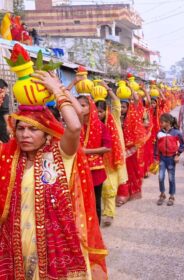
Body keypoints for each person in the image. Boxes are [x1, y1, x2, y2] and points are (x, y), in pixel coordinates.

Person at [0, 70, 108, 279]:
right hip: (17, 241)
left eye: (33, 129)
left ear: (46, 132)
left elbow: (75, 127)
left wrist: (57, 90)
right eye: (21, 128)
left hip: (54, 242)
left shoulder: (59, 155)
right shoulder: (9, 157)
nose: (25, 135)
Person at [95, 82, 128, 227]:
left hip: (113, 158)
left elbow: (116, 103)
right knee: (100, 187)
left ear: (106, 111)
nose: (98, 114)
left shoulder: (113, 117)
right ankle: (104, 210)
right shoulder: (92, 123)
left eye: (100, 111)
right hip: (97, 158)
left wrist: (107, 88)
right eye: (95, 111)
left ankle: (109, 214)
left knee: (110, 186)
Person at [77, 95, 111, 224]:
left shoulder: (100, 126)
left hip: (95, 169)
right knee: (79, 199)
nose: (79, 108)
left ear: (90, 107)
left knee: (95, 200)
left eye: (83, 105)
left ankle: (95, 230)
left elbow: (108, 147)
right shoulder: (73, 126)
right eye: (78, 105)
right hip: (77, 167)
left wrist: (87, 152)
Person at [155, 113, 184, 206]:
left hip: (171, 159)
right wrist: (155, 157)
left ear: (168, 122)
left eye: (162, 122)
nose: (160, 124)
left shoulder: (176, 132)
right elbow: (156, 146)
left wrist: (178, 154)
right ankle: (162, 194)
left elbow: (183, 144)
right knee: (161, 177)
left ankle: (171, 196)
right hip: (162, 159)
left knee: (171, 178)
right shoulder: (159, 133)